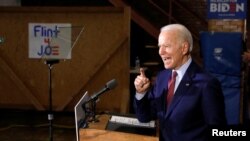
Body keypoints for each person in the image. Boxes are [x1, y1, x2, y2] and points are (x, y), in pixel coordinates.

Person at [133, 24, 227, 141]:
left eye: (166, 46)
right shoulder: (162, 77)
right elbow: (144, 117)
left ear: (184, 48)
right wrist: (141, 93)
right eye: (159, 46)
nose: (160, 52)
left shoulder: (207, 83)